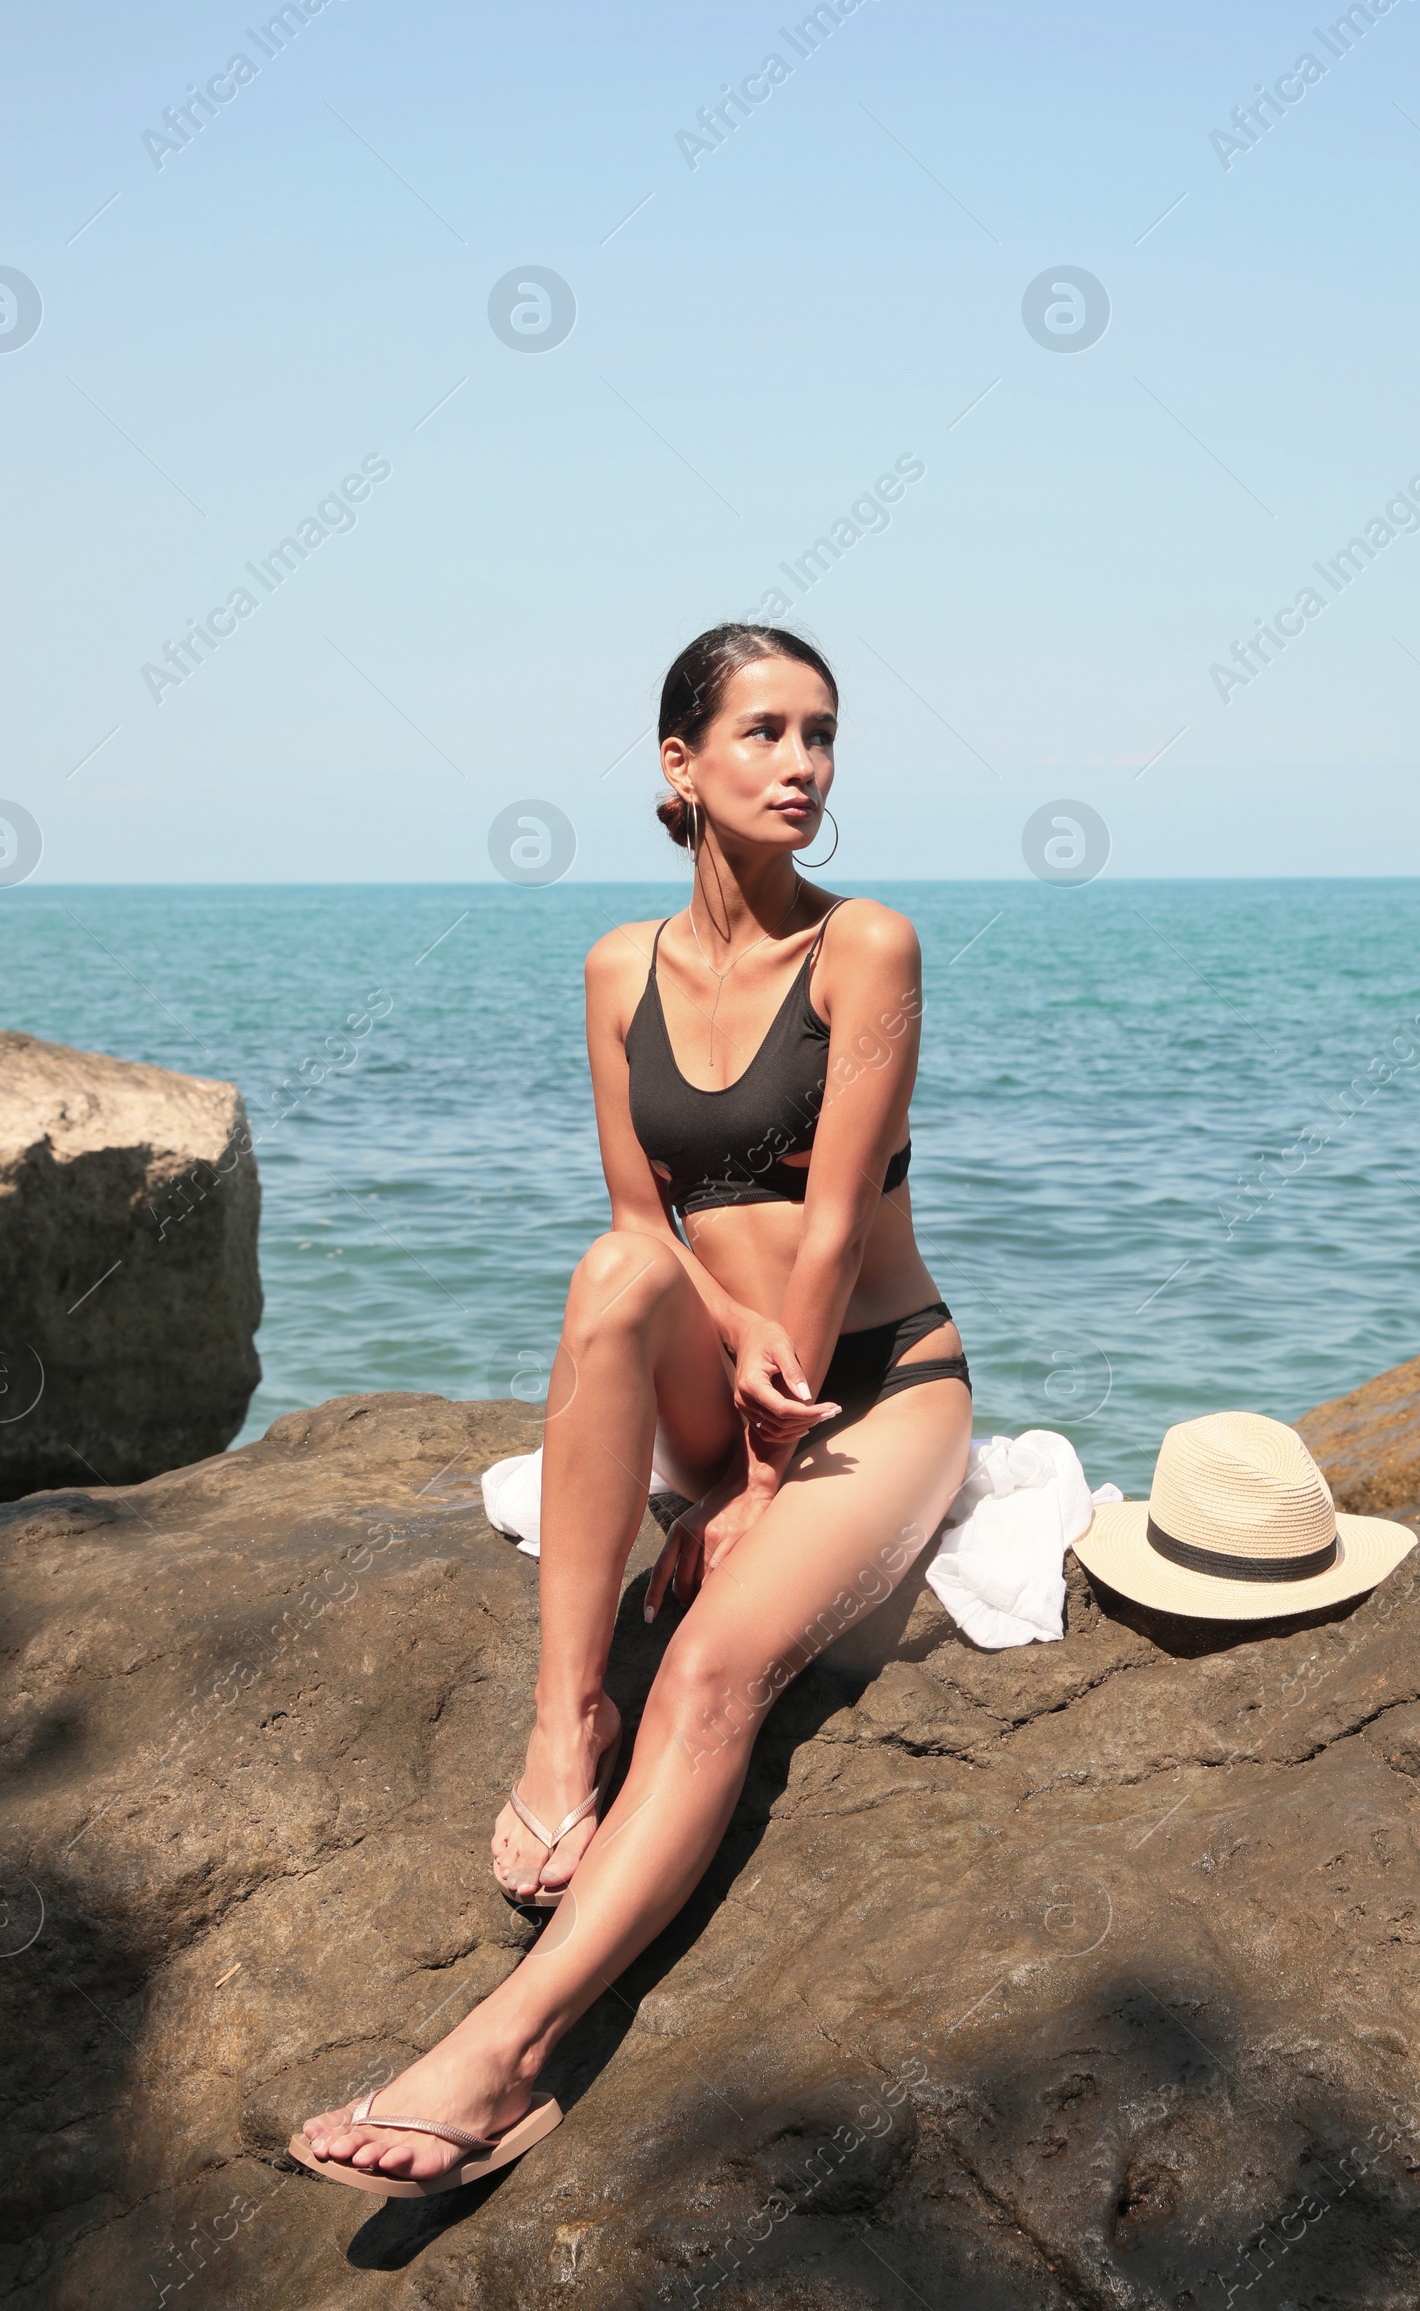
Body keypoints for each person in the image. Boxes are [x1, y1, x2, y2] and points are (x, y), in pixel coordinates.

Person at [295, 624, 973, 2191]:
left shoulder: (868, 947)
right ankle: (565, 1717)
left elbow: (827, 1222)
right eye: (764, 734)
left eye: (822, 735)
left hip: (877, 1387)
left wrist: (757, 1483)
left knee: (723, 1666)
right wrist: (720, 1399)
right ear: (681, 766)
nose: (803, 765)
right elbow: (646, 1223)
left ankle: (501, 2058)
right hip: (717, 1368)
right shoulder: (617, 970)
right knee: (609, 1270)